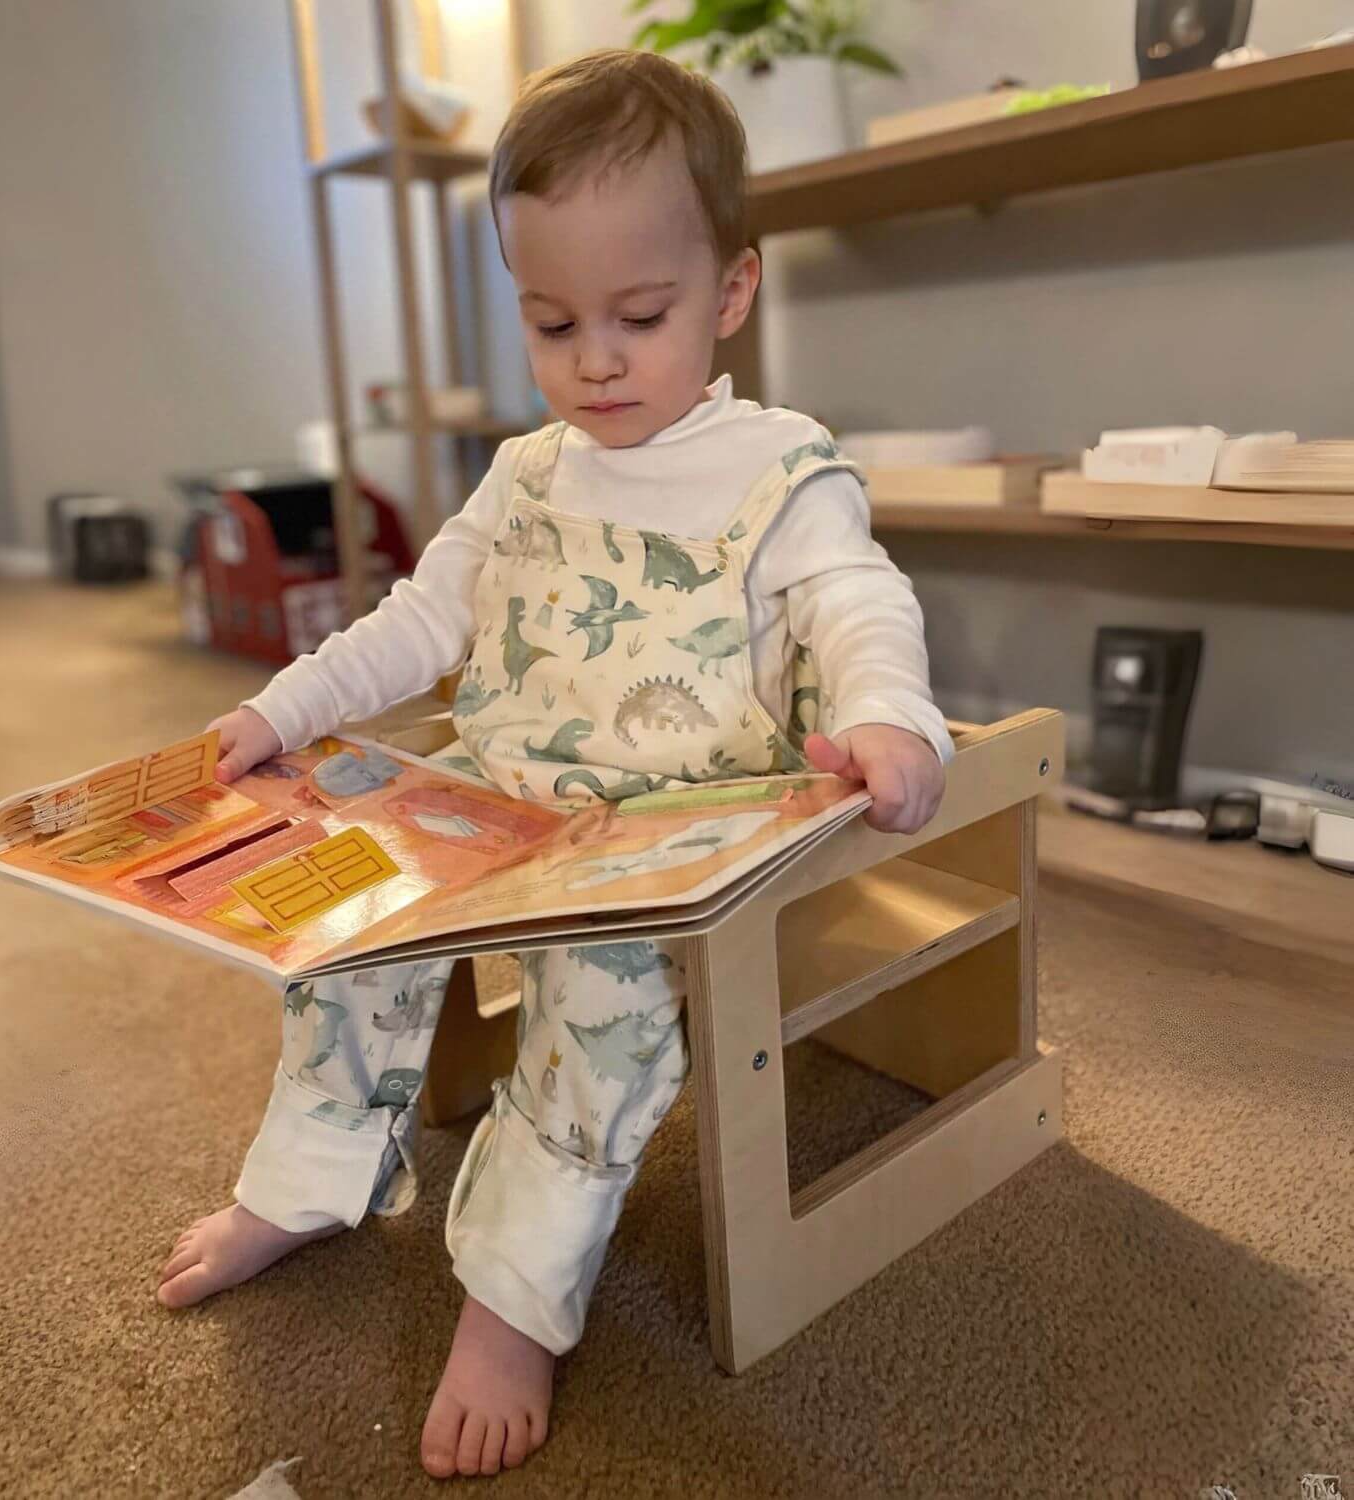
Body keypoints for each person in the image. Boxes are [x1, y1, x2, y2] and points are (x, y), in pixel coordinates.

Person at [156, 48, 952, 1480]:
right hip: (485, 813)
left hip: (665, 849)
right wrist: (281, 712)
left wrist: (894, 717)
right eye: (551, 321)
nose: (595, 359)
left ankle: (516, 1298)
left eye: (640, 318)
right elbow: (416, 621)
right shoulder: (526, 472)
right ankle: (307, 1186)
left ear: (729, 294)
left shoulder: (783, 471)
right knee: (341, 929)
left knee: (601, 1012)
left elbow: (862, 607)